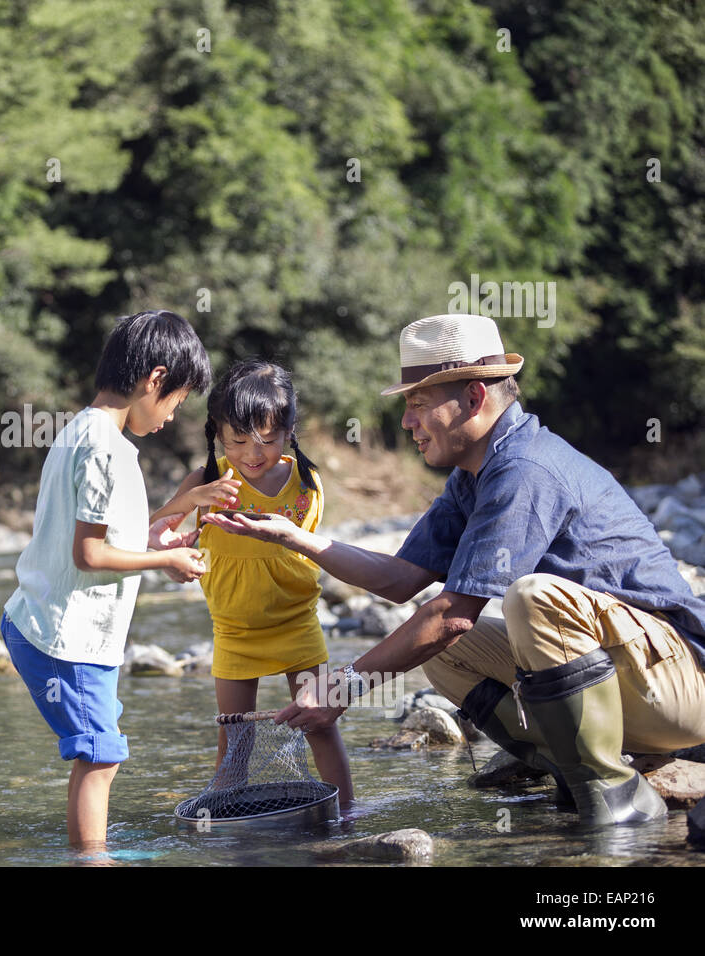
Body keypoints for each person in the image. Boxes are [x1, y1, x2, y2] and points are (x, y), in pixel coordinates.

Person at [203, 313, 705, 825]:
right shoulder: (474, 473)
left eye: (418, 405)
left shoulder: (525, 469)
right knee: (442, 651)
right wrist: (296, 538)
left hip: (677, 686)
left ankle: (613, 794)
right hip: (631, 684)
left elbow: (455, 613)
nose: (406, 423)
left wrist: (341, 686)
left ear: (473, 398)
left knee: (530, 600)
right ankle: (568, 767)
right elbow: (401, 580)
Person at [1, 309, 212, 853]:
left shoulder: (83, 432)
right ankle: (90, 860)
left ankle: (89, 852)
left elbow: (108, 535)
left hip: (52, 622)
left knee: (100, 749)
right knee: (100, 755)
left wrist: (173, 517)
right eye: (176, 402)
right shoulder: (105, 450)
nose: (170, 417)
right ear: (155, 380)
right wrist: (163, 563)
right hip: (65, 637)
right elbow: (91, 553)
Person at [152, 359, 353, 808]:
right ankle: (229, 826)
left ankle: (345, 815)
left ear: (289, 431)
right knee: (234, 739)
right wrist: (181, 523)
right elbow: (151, 534)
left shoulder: (305, 483)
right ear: (218, 435)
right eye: (238, 440)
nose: (252, 453)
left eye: (267, 439)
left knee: (319, 724)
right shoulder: (208, 479)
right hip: (233, 630)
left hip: (297, 624)